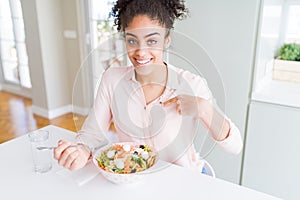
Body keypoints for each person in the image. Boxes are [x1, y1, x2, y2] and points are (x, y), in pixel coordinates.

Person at [54, 0, 243, 172]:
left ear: (166, 40)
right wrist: (80, 150)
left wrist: (204, 109)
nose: (141, 52)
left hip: (184, 181)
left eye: (152, 41)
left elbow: (235, 146)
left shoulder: (192, 84)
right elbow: (92, 134)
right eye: (132, 41)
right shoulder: (111, 80)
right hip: (135, 179)